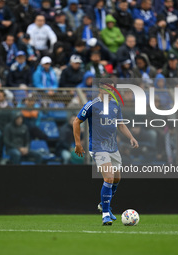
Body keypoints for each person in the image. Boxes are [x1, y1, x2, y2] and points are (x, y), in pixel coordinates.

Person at [73, 78, 139, 225]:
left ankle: (104, 204)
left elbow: (120, 124)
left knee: (116, 179)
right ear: (100, 89)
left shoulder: (115, 105)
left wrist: (131, 137)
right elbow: (76, 121)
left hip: (112, 148)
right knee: (108, 178)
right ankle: (105, 215)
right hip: (97, 147)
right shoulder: (92, 105)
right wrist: (78, 143)